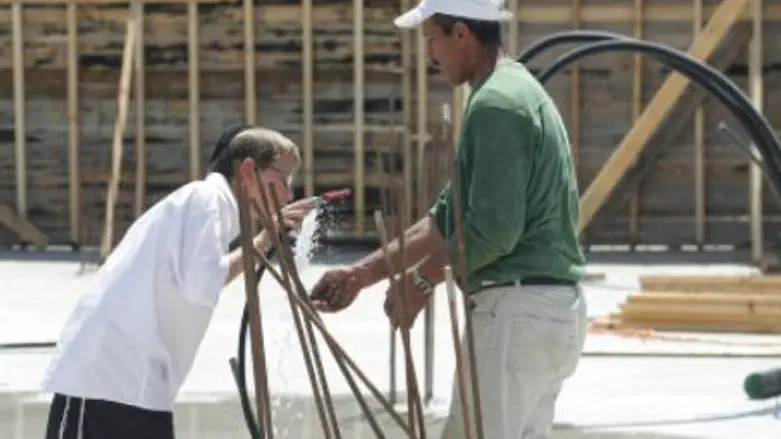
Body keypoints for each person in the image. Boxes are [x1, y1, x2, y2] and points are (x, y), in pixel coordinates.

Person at [309, 1, 588, 438]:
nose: (430, 56)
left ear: (461, 34)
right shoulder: (510, 92)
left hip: (517, 313)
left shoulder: (498, 104)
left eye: (431, 40)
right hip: (540, 314)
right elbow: (444, 218)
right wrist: (364, 273)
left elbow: (493, 232)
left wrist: (420, 282)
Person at [42, 126, 316, 439]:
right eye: (283, 180)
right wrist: (263, 241)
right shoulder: (206, 199)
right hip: (104, 376)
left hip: (139, 380)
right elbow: (201, 283)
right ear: (248, 170)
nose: (287, 194)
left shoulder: (211, 206)